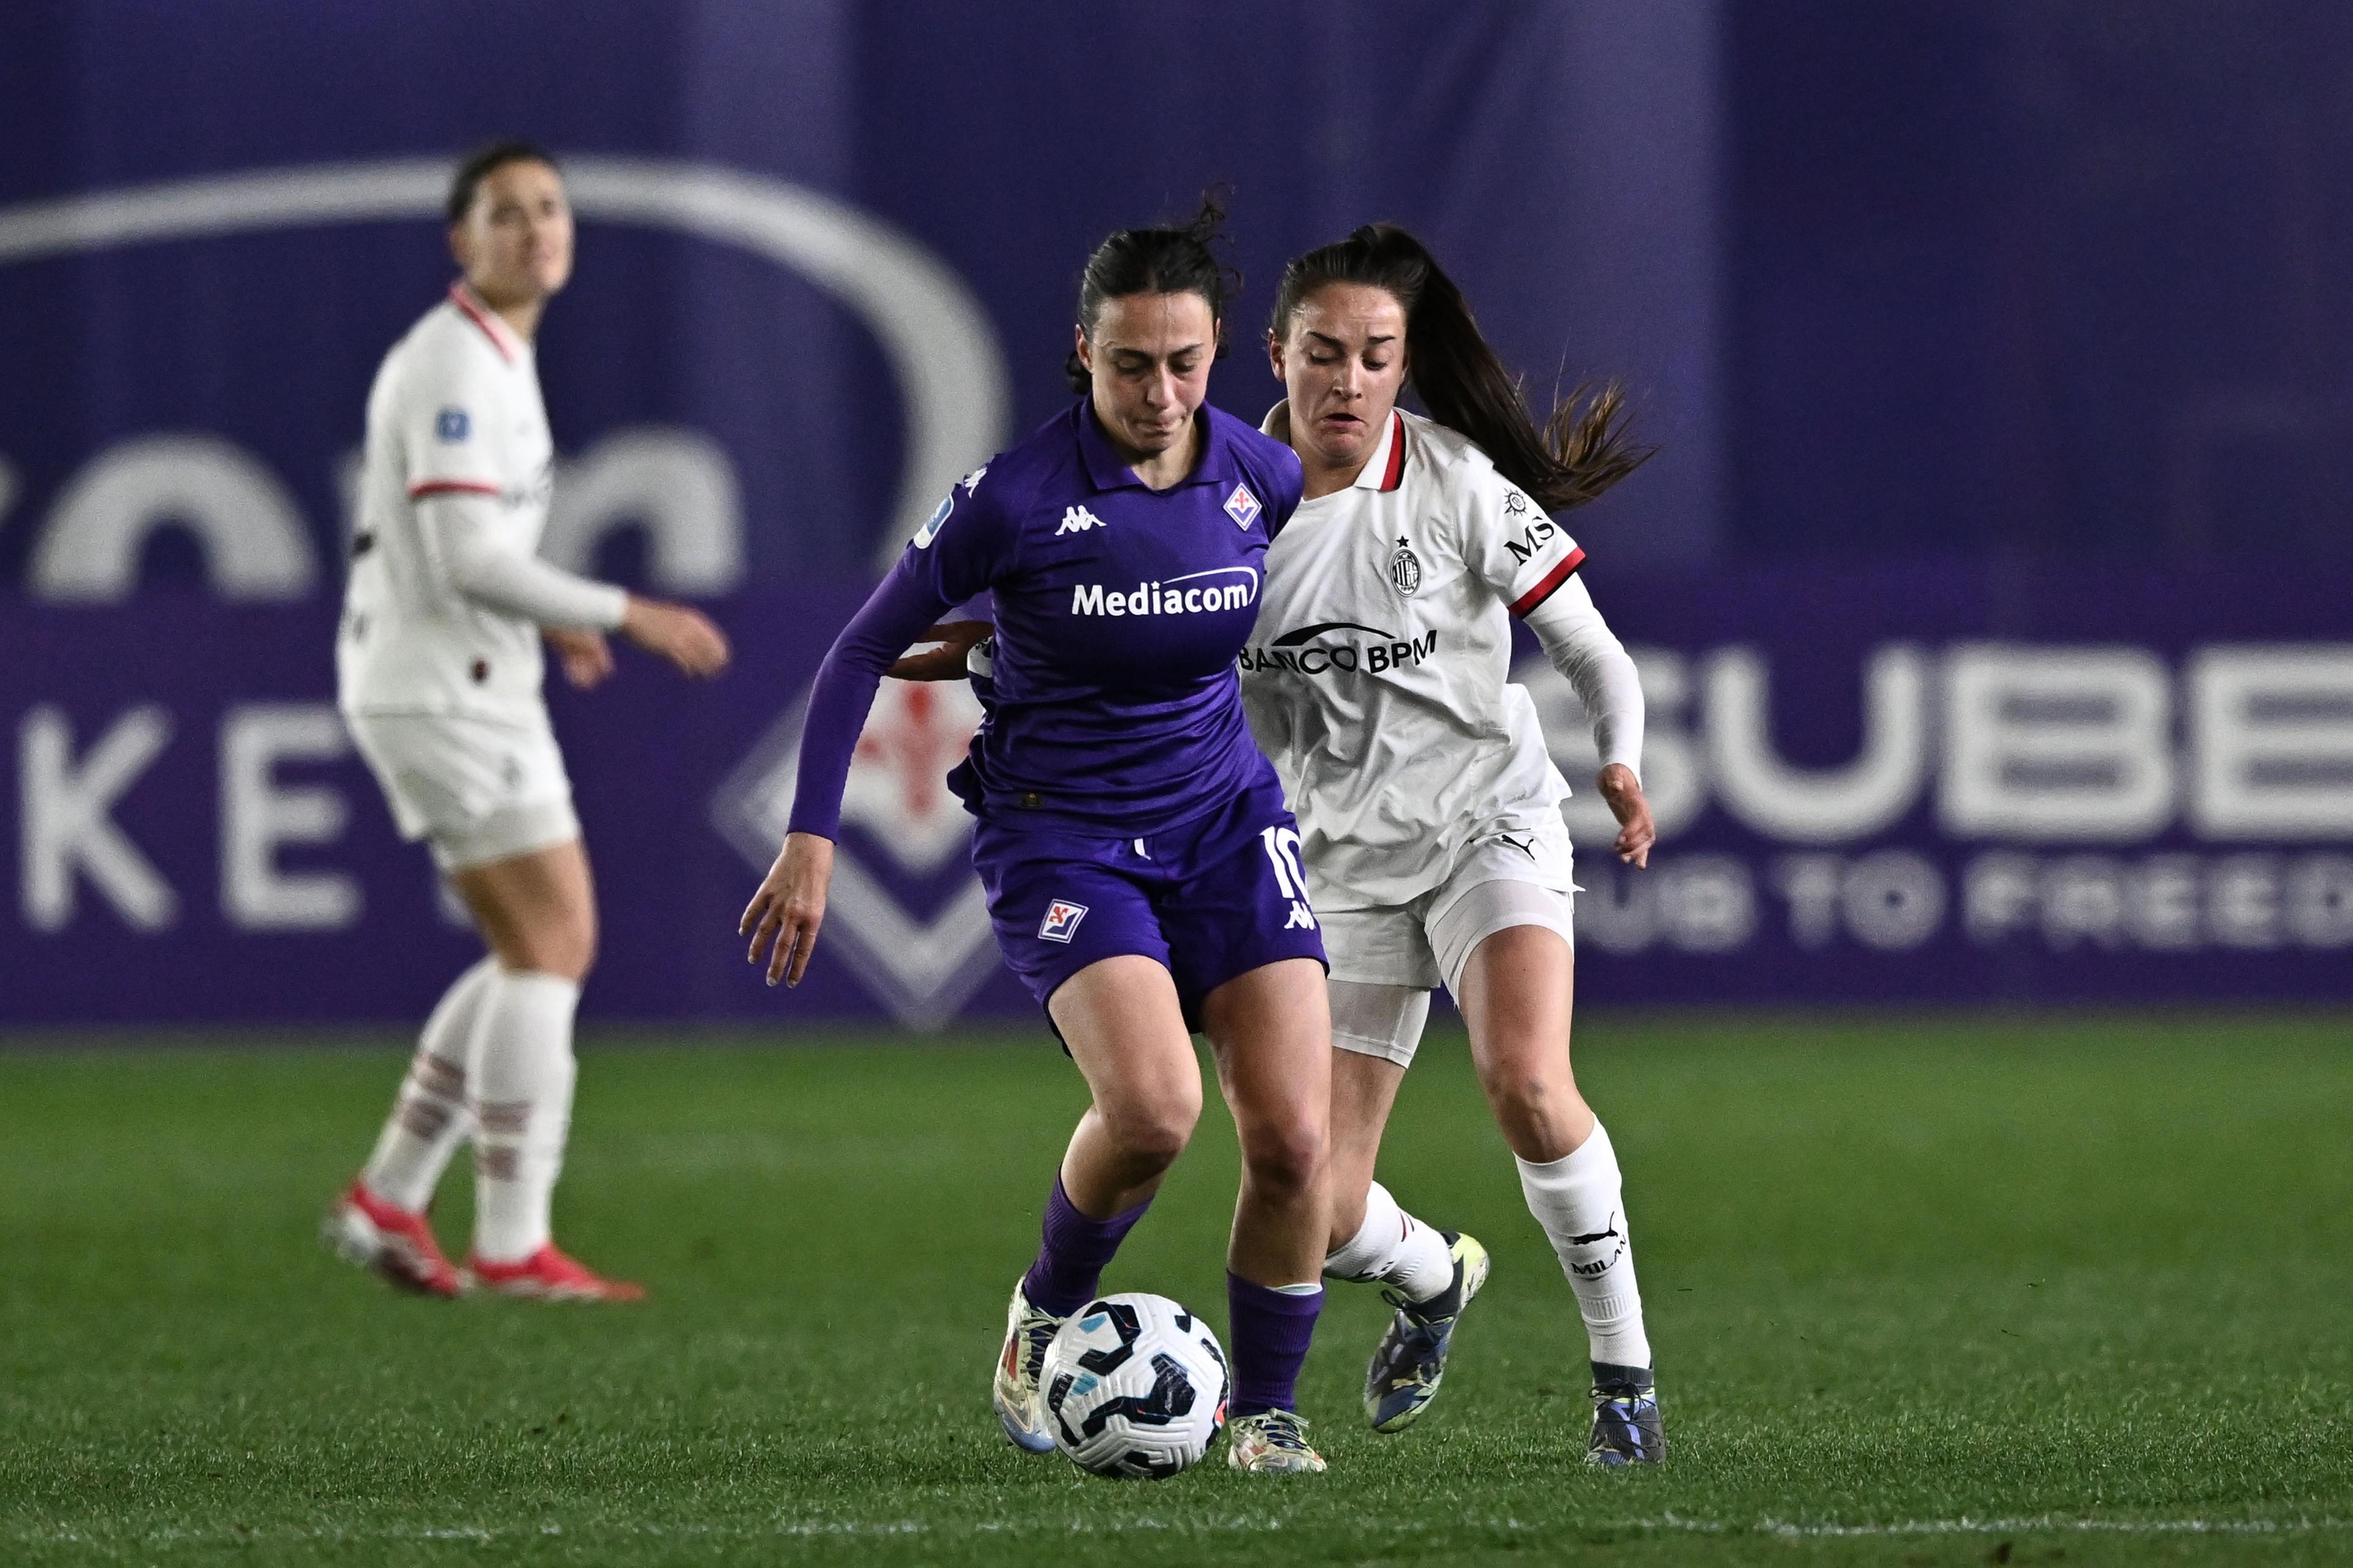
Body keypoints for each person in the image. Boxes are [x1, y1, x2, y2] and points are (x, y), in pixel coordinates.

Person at [741, 201, 1339, 1474]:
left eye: (1183, 361)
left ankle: (1273, 1415)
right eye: (1130, 362)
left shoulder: (1260, 473)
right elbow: (857, 647)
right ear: (1083, 352)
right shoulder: (1012, 498)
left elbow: (1172, 621)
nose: (1160, 390)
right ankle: (1043, 1317)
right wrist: (812, 835)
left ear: (1221, 348)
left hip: (1227, 818)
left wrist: (1023, 641)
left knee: (1293, 1136)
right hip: (1063, 833)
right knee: (1159, 1109)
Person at [1246, 222, 1664, 1463]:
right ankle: (1433, 1276)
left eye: (1377, 354)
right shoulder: (1221, 511)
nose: (1349, 380)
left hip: (1491, 817)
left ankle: (1625, 1380)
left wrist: (1622, 757)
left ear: (1404, 361)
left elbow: (1593, 650)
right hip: (1343, 861)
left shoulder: (1458, 481)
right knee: (1310, 1205)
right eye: (1324, 352)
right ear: (1277, 353)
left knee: (1527, 1080)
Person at [326, 140, 731, 1302]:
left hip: (454, 677)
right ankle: (510, 1243)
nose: (536, 229)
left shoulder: (492, 354)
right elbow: (463, 553)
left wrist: (553, 621)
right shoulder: (455, 360)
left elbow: (471, 552)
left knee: (530, 948)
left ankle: (391, 1197)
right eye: (506, 213)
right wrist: (627, 609)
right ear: (464, 240)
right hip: (442, 685)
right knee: (554, 944)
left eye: (550, 209)